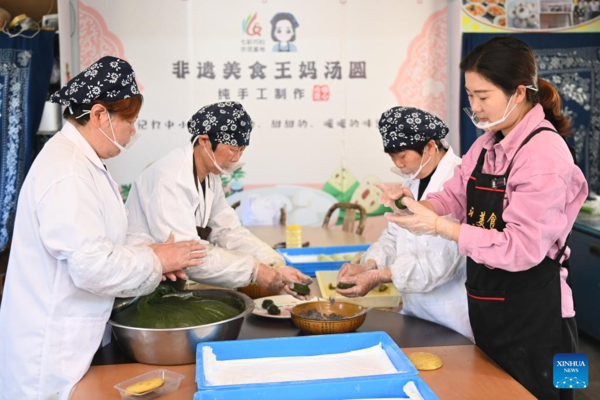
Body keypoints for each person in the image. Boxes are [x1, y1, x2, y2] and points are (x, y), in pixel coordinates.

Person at [386, 36, 587, 400]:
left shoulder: (544, 155)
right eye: (470, 95)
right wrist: (419, 207)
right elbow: (455, 194)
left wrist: (441, 227)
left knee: (557, 395)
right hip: (491, 311)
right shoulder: (487, 143)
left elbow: (522, 248)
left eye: (483, 96)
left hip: (542, 322)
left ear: (520, 92)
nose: (475, 107)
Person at [0, 56, 205, 400]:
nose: (133, 132)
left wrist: (151, 253)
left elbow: (105, 241)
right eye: (130, 121)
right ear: (98, 115)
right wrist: (157, 262)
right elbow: (92, 266)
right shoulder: (68, 172)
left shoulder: (84, 162)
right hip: (50, 358)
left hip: (78, 342)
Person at [126, 101, 311, 298]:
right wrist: (255, 271)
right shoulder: (170, 178)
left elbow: (228, 231)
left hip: (170, 284)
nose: (236, 158)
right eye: (233, 149)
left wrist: (273, 264)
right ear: (205, 141)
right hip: (141, 288)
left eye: (242, 150)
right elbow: (187, 256)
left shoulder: (210, 176)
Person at [335, 107, 472, 341]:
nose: (398, 165)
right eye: (392, 157)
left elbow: (440, 265)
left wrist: (380, 276)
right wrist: (370, 265)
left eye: (403, 156)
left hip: (450, 317)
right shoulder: (415, 179)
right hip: (414, 310)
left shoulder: (458, 179)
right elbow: (394, 235)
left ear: (430, 147)